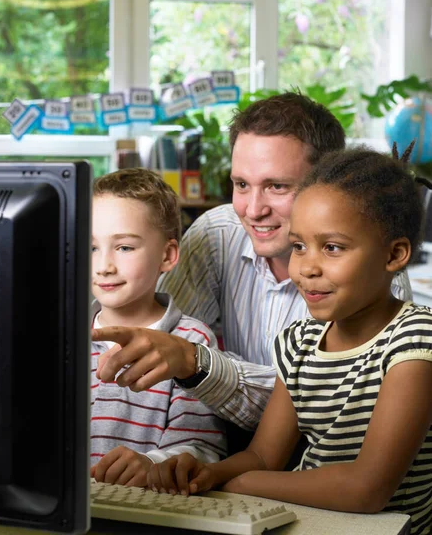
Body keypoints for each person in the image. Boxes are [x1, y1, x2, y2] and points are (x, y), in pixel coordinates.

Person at [147, 146, 432, 535]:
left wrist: (239, 484)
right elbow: (263, 456)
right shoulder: (298, 342)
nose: (307, 267)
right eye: (299, 246)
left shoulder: (414, 340)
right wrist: (206, 474)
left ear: (394, 254)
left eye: (332, 248)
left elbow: (367, 489)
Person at [93, 92, 412, 433]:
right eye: (242, 184)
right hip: (215, 440)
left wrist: (196, 363)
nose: (253, 209)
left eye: (277, 186)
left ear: (326, 183)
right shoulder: (217, 232)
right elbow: (160, 349)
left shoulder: (377, 276)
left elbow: (324, 407)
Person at [90, 168, 226, 487]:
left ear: (167, 256)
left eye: (124, 247)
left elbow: (202, 448)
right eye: (92, 246)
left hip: (147, 509)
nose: (104, 265)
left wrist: (150, 465)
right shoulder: (60, 333)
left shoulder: (192, 341)